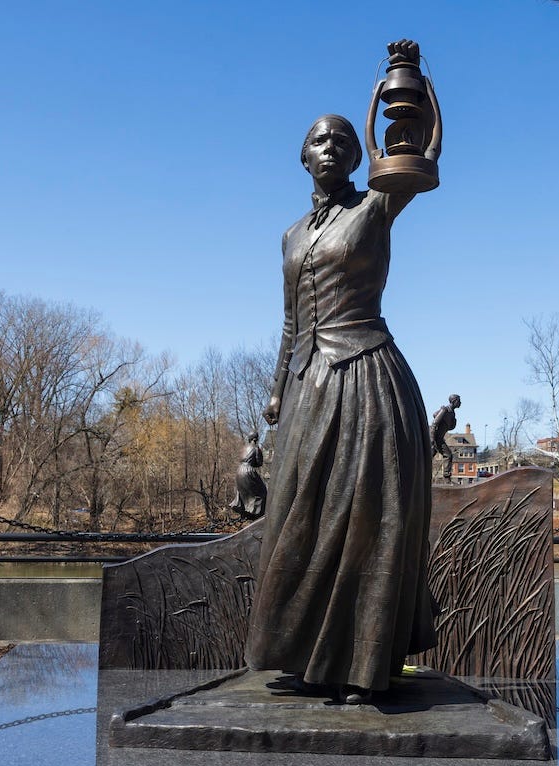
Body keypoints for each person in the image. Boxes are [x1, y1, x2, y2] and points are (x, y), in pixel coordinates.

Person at [245, 72, 438, 704]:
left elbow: (422, 159)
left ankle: (363, 665)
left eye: (344, 141)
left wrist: (412, 95)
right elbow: (289, 318)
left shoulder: (375, 206)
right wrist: (277, 391)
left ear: (359, 157)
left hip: (366, 375)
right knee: (299, 519)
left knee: (365, 521)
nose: (331, 148)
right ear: (303, 156)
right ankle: (306, 655)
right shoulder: (290, 236)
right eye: (320, 141)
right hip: (308, 385)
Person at [228, 431, 266, 520]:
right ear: (256, 439)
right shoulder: (256, 448)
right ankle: (256, 515)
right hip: (248, 471)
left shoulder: (244, 448)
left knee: (244, 493)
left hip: (239, 471)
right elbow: (259, 463)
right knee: (262, 492)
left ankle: (247, 513)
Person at [430, 394, 462, 483]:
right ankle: (447, 478)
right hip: (436, 438)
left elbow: (449, 427)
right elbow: (434, 424)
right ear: (454, 401)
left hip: (440, 438)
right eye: (459, 401)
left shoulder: (452, 413)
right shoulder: (445, 410)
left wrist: (454, 423)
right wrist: (432, 439)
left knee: (428, 457)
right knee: (448, 455)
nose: (460, 403)